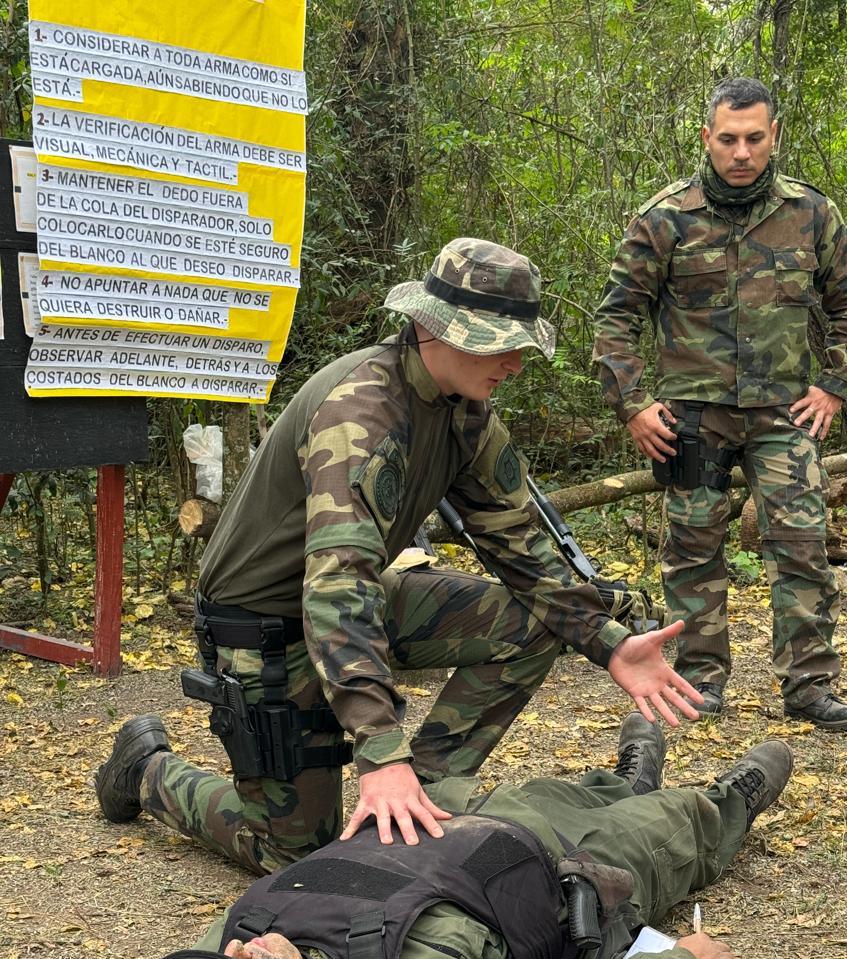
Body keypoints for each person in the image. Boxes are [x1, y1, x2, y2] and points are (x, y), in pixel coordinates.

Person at [96, 239, 702, 873]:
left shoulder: (464, 413)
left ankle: (424, 800)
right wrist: (381, 753)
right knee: (296, 858)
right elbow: (336, 589)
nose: (516, 362)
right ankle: (146, 770)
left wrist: (605, 640)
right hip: (264, 626)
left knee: (530, 625)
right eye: (500, 342)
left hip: (353, 598)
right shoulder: (361, 416)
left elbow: (520, 543)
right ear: (433, 328)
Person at [145, 714, 794, 959]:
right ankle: (725, 802)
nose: (237, 954)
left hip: (454, 823)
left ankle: (630, 779)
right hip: (570, 864)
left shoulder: (239, 944)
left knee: (575, 791)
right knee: (678, 826)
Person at [593, 77, 847, 731]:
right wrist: (632, 404)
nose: (742, 152)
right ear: (707, 138)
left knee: (803, 546)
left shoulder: (811, 213)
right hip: (693, 416)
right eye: (728, 139)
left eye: (755, 138)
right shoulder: (665, 216)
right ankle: (697, 681)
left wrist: (835, 383)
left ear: (774, 135)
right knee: (692, 551)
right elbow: (616, 319)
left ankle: (810, 688)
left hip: (785, 413)